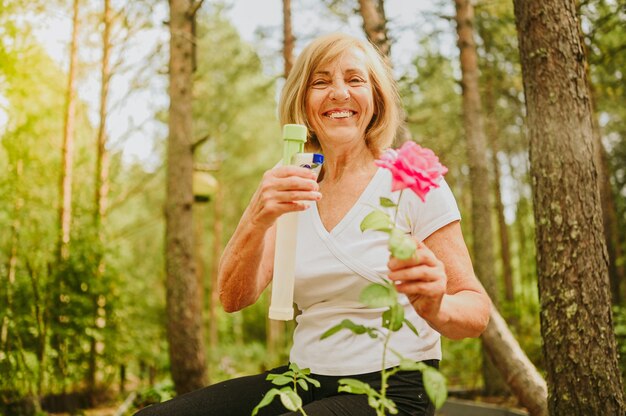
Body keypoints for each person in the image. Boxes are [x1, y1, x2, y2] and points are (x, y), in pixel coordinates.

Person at [135, 32, 491, 416]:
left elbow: (475, 312)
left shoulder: (411, 176)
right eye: (321, 82)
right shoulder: (291, 179)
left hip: (394, 388)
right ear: (303, 102)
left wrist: (437, 307)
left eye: (354, 80)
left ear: (376, 98)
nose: (339, 93)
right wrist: (257, 216)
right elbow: (233, 298)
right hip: (302, 380)